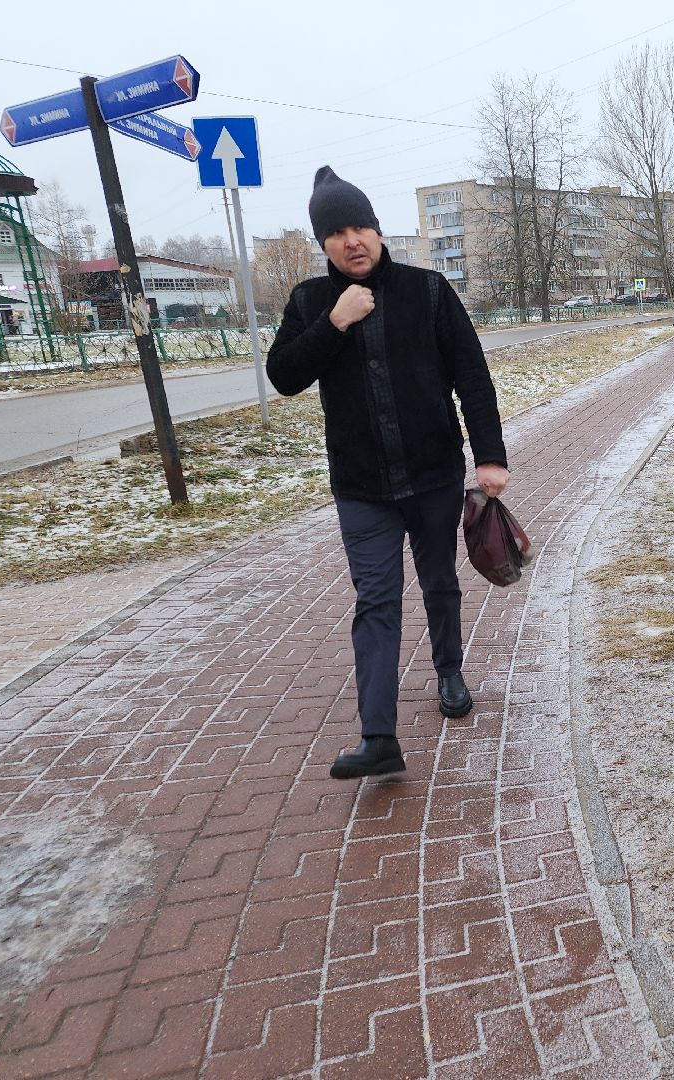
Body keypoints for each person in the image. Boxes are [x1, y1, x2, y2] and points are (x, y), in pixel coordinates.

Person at [267, 166, 510, 780]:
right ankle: (380, 736)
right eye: (338, 232)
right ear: (322, 244)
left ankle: (449, 670)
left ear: (378, 231)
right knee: (375, 600)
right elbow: (285, 376)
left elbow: (472, 378)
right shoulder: (309, 302)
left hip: (431, 474)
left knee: (439, 582)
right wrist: (335, 322)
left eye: (362, 227)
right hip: (362, 487)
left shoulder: (428, 291)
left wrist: (489, 456)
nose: (353, 241)